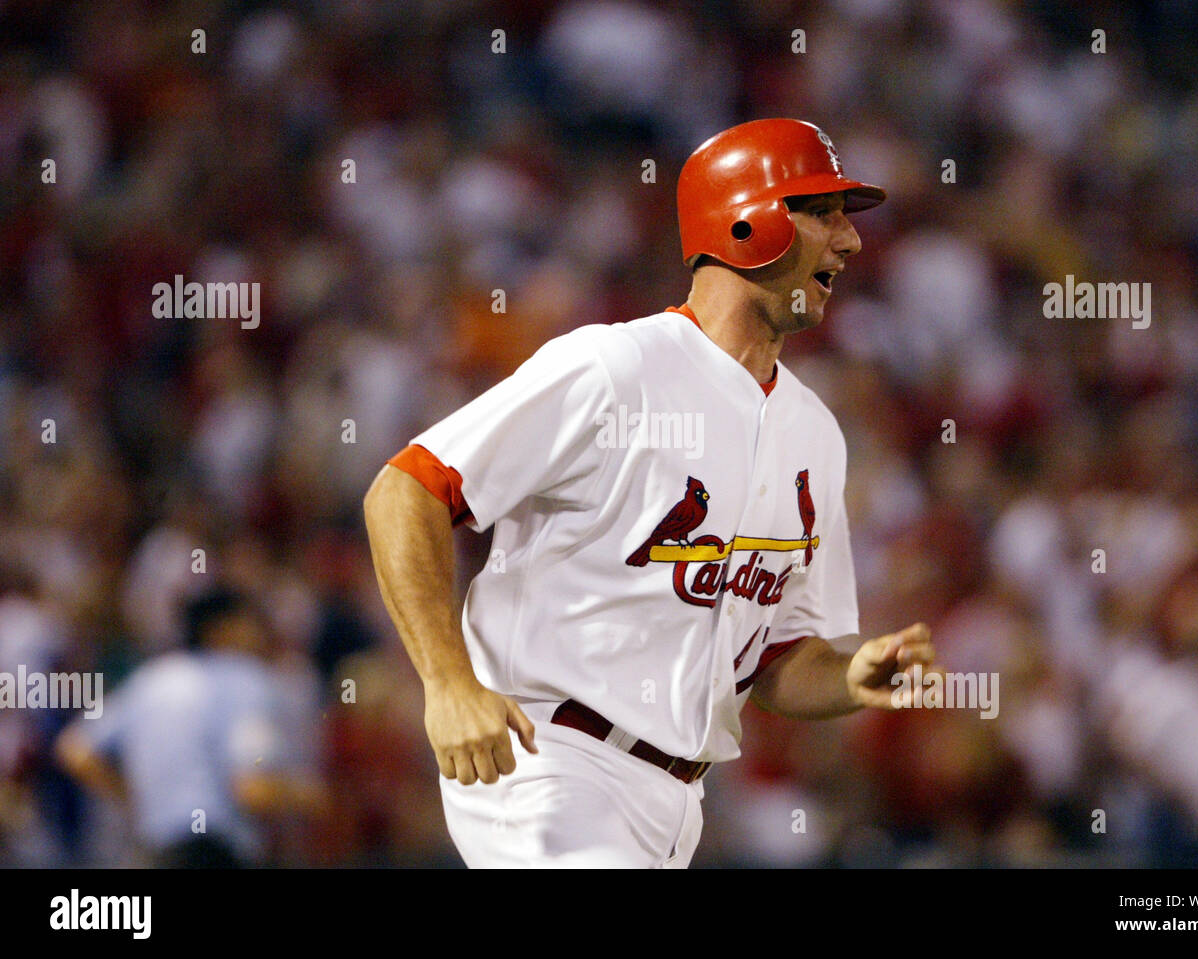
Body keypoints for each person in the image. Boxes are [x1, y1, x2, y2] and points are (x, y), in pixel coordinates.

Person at [364, 118, 937, 868]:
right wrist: (446, 682)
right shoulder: (615, 367)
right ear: (745, 219)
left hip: (679, 800)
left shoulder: (816, 434)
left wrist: (850, 677)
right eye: (821, 211)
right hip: (549, 759)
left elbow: (776, 663)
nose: (849, 240)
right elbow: (406, 488)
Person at [55, 588, 324, 867]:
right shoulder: (245, 677)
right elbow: (251, 789)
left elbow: (74, 749)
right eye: (250, 623)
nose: (260, 633)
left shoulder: (153, 678)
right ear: (221, 630)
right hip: (212, 851)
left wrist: (135, 798)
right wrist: (307, 795)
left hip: (155, 849)